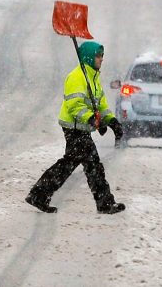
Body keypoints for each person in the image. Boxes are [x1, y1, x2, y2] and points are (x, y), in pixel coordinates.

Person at [25, 40, 126, 214]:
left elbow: (100, 103)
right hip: (73, 126)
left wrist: (111, 121)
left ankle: (39, 195)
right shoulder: (76, 76)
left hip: (82, 127)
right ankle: (104, 203)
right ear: (88, 57)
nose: (101, 59)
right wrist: (89, 119)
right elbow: (74, 105)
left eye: (102, 55)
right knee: (92, 164)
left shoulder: (93, 77)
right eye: (98, 55)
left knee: (71, 163)